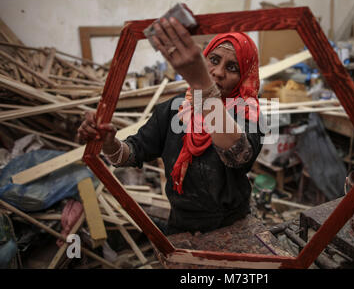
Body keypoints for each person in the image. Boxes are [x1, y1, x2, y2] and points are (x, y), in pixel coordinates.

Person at [77, 16, 264, 235]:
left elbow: (238, 156)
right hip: (182, 225)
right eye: (213, 60)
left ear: (244, 77)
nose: (219, 72)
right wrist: (109, 144)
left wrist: (201, 85)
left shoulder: (246, 111)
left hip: (233, 226)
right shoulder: (175, 109)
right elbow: (131, 154)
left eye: (232, 67)